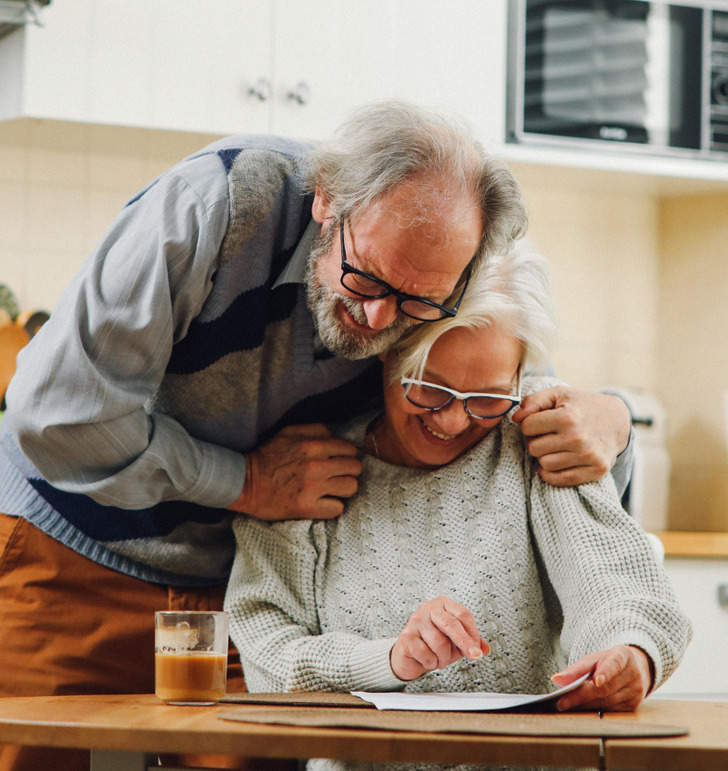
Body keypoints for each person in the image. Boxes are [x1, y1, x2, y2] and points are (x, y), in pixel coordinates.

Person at [0, 102, 631, 771]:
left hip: (237, 587)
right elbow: (54, 414)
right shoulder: (218, 200)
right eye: (366, 278)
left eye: (419, 305)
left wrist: (612, 417)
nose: (381, 319)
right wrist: (243, 480)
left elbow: (507, 388)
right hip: (70, 554)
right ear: (326, 198)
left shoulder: (447, 270)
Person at [224, 241, 691, 771]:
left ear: (519, 380)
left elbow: (620, 588)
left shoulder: (533, 440)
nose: (451, 422)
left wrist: (632, 655)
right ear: (386, 350)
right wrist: (390, 660)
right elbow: (267, 656)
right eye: (428, 389)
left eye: (488, 398)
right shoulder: (306, 476)